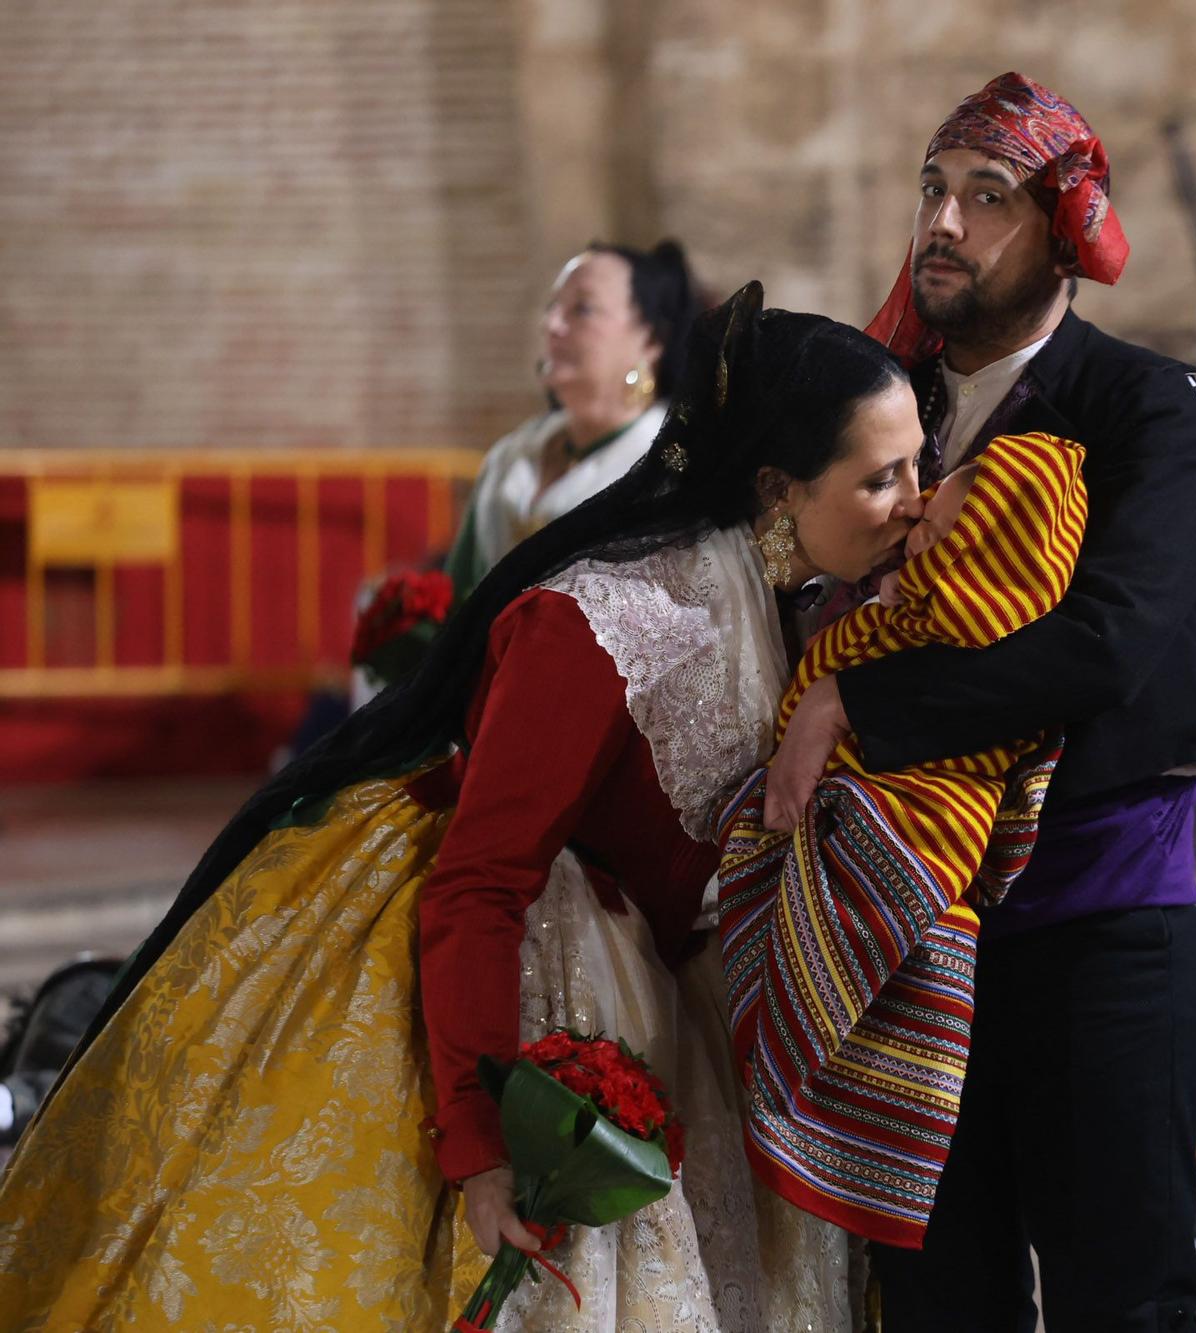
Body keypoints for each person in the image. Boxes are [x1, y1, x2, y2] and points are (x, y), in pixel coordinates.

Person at [0, 283, 923, 1331]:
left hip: (681, 1003)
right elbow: (481, 882)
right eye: (881, 476)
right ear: (777, 487)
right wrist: (480, 1148)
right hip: (543, 991)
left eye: (917, 467)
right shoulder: (601, 624)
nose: (915, 499)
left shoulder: (821, 602)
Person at [765, 72, 1196, 1331]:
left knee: (1118, 1304)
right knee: (931, 1305)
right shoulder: (881, 409)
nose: (945, 226)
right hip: (904, 937)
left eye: (988, 198)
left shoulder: (1147, 409)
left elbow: (1111, 644)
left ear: (1065, 230)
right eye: (932, 191)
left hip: (1096, 933)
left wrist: (859, 701)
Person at [718, 432, 1085, 1250]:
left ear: (981, 547)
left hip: (912, 830)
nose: (913, 505)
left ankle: (811, 1097)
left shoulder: (946, 643)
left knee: (852, 925)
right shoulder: (888, 608)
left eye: (931, 505)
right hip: (850, 795)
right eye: (890, 479)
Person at [442, 240, 700, 596]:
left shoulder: (667, 468)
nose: (552, 325)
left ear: (651, 338)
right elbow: (454, 601)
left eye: (582, 309)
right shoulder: (512, 455)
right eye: (552, 307)